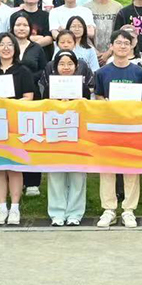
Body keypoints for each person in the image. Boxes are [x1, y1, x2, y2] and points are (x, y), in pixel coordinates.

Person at [93, 29, 142, 228]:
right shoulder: (102, 72)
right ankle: (109, 209)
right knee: (107, 168)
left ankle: (128, 210)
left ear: (132, 46)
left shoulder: (139, 72)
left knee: (131, 168)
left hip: (131, 127)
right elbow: (98, 96)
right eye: (118, 42)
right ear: (111, 46)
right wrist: (107, 104)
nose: (122, 46)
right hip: (108, 127)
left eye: (126, 43)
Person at [0, 30, 33, 226]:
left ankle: (15, 207)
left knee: (14, 166)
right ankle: (2, 207)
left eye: (10, 44)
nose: (6, 48)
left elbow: (29, 97)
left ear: (15, 48)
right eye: (1, 44)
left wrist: (10, 104)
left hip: (15, 124)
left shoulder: (23, 71)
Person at [40, 49, 89, 226]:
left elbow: (88, 109)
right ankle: (57, 213)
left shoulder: (82, 87)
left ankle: (75, 213)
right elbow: (43, 108)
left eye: (70, 64)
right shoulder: (49, 87)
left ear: (76, 66)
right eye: (62, 64)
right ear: (55, 67)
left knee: (77, 174)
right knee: (56, 173)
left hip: (77, 135)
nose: (66, 67)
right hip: (55, 134)